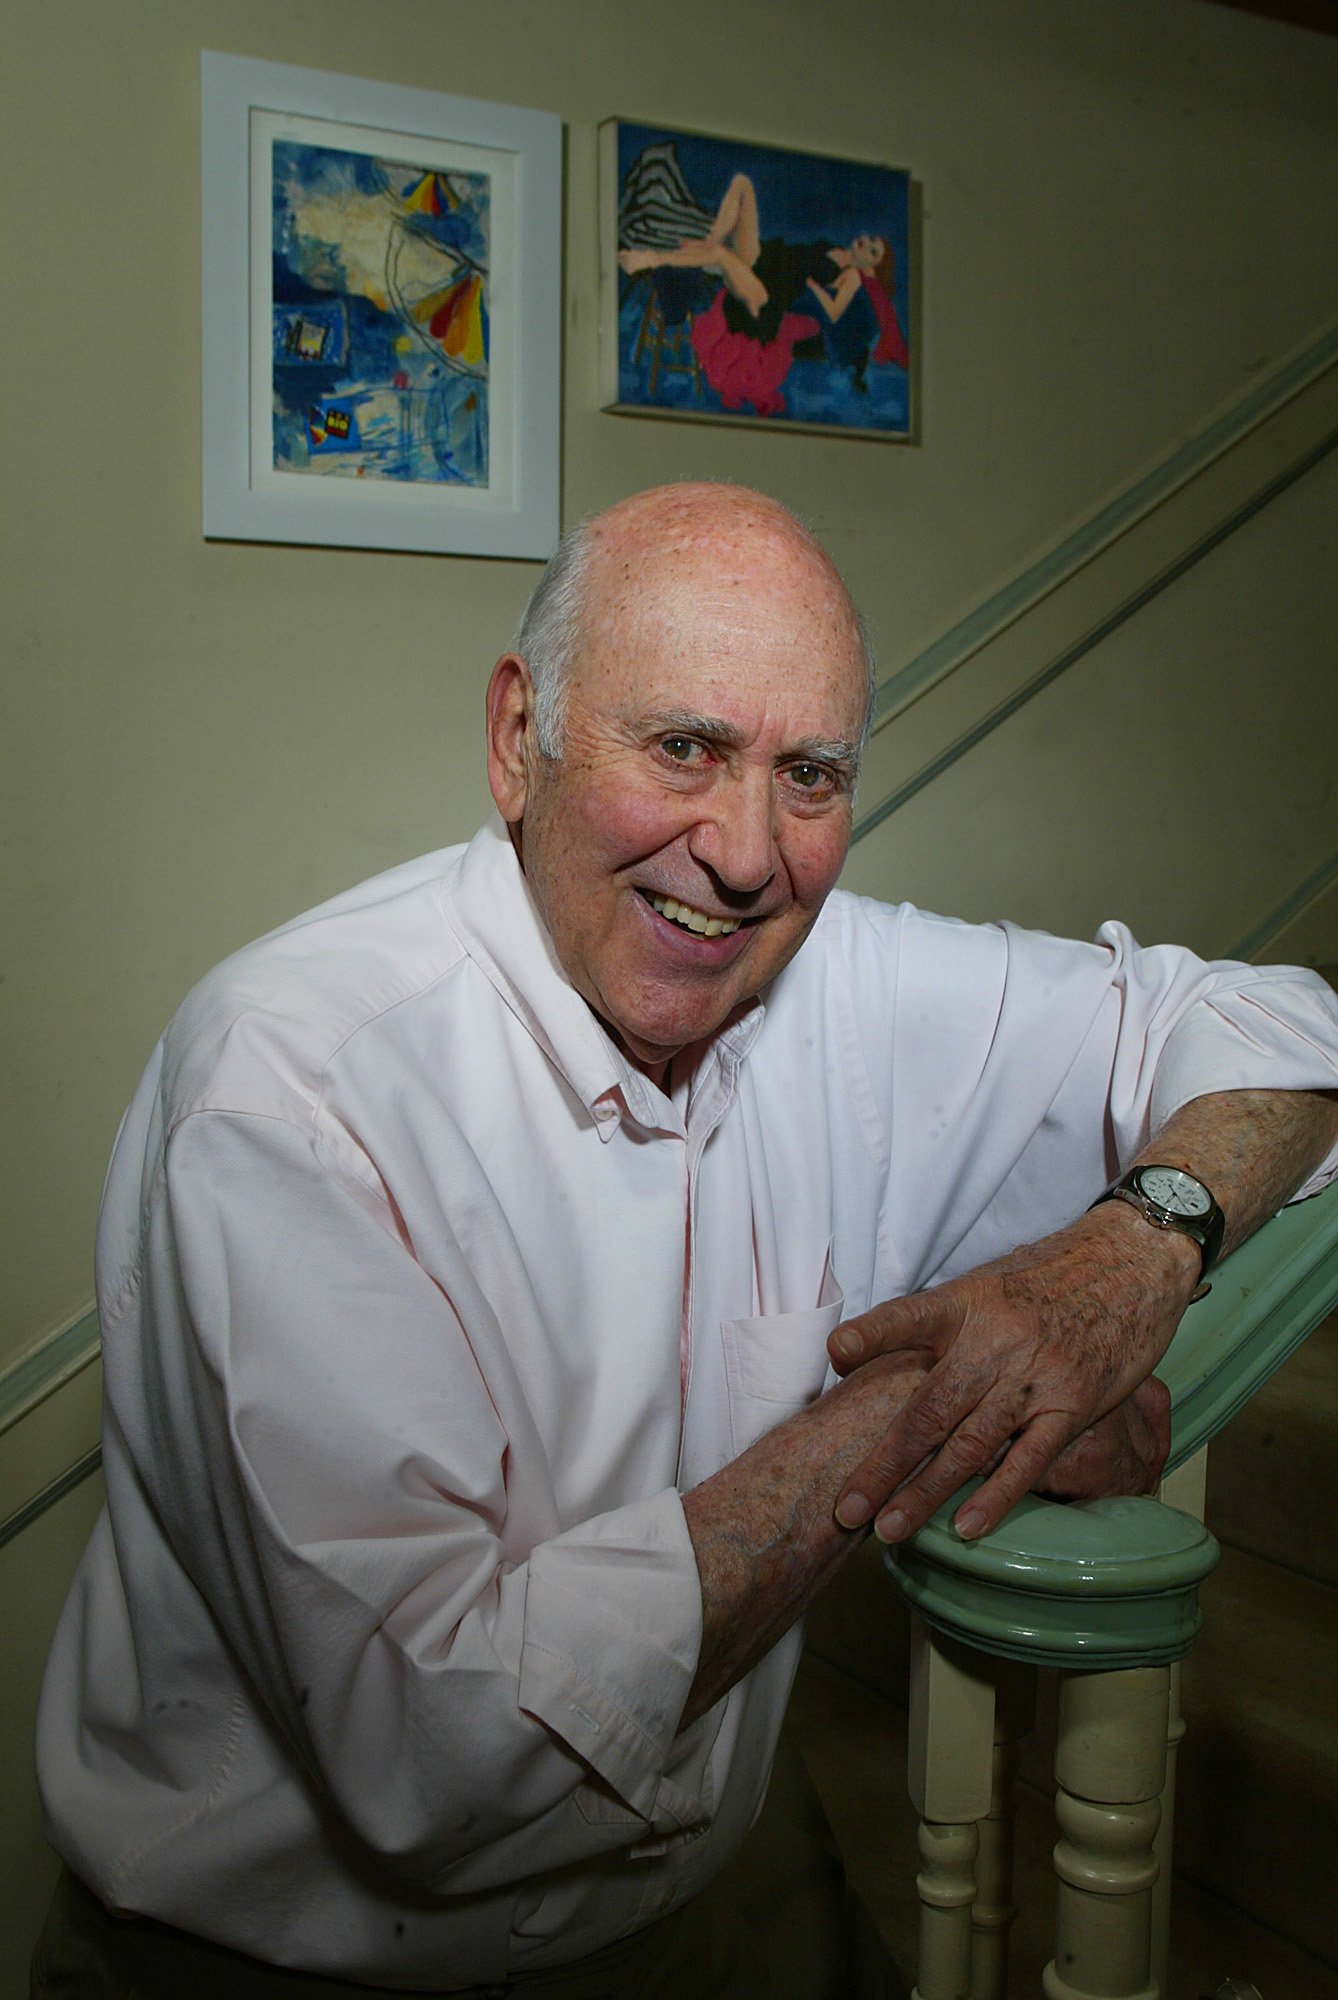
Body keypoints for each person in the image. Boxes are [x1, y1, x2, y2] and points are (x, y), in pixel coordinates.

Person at [33, 484, 1338, 1999]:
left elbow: (1278, 1028)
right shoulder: (291, 1086)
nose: (741, 851)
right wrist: (948, 1400)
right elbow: (435, 1755)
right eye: (684, 749)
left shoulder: (838, 980)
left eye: (811, 776)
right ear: (521, 735)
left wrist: (1121, 1260)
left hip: (713, 1889)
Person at [619, 172, 905, 415]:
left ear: (871, 267)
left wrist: (814, 286)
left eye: (873, 251)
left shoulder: (852, 277)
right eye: (869, 241)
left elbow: (833, 312)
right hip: (764, 262)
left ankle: (648, 259)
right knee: (742, 183)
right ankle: (705, 246)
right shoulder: (834, 248)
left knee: (720, 255)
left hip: (765, 296)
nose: (865, 244)